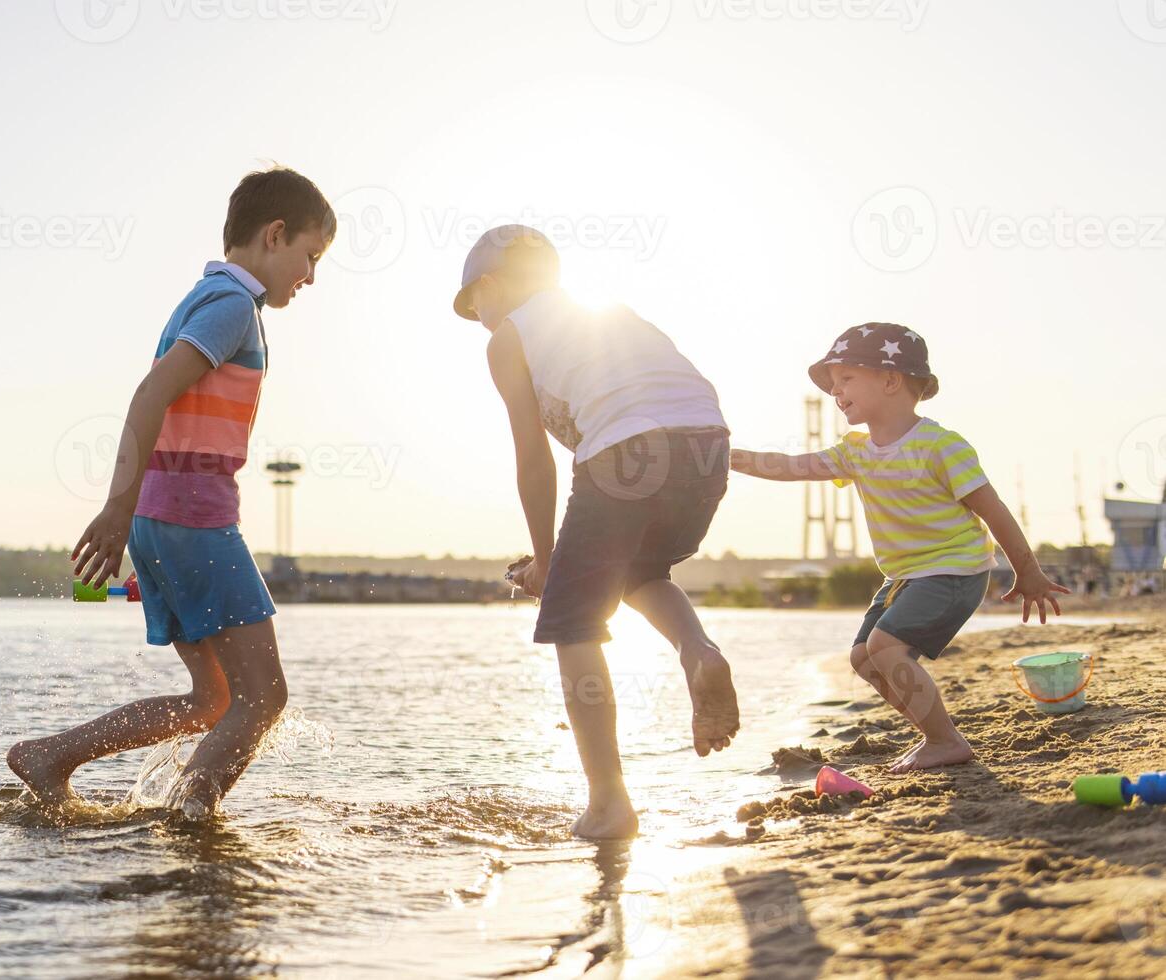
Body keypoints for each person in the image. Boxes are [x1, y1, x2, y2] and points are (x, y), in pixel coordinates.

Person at [8, 167, 335, 814]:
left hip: (162, 519)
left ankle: (52, 756)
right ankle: (192, 824)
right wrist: (114, 508)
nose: (311, 276)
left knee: (211, 700)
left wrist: (129, 515)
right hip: (192, 520)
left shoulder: (206, 296)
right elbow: (151, 392)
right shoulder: (231, 306)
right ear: (275, 235)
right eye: (310, 256)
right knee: (263, 698)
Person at [454, 225, 739, 840]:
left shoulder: (510, 337)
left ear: (491, 283)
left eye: (474, 306)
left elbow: (534, 457)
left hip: (625, 448)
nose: (478, 320)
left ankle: (609, 804)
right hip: (709, 446)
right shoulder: (608, 311)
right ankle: (698, 650)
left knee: (572, 620)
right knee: (640, 570)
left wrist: (549, 560)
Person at [730, 323, 1069, 773]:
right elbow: (793, 466)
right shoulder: (855, 451)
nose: (836, 392)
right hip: (904, 577)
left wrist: (1027, 571)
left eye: (846, 379)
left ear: (891, 380)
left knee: (886, 646)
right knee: (863, 657)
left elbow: (995, 510)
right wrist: (730, 457)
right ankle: (938, 735)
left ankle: (944, 741)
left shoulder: (940, 446)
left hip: (955, 569)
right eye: (832, 385)